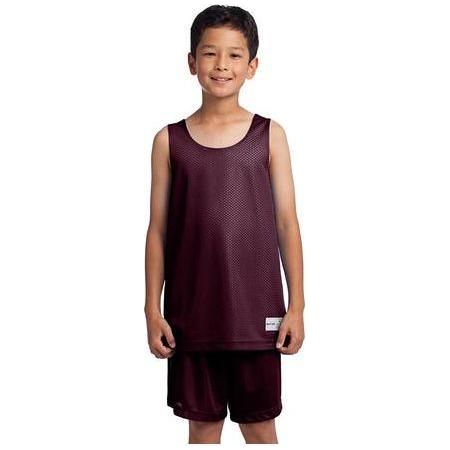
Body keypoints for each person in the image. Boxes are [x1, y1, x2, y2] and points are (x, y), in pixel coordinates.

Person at [144, 4, 305, 444]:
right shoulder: (168, 141)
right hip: (192, 317)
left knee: (260, 428)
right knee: (203, 430)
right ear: (191, 61)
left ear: (252, 66)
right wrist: (152, 310)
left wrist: (296, 306)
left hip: (258, 318)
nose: (221, 65)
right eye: (210, 53)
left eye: (234, 55)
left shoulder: (269, 135)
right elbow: (157, 232)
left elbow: (287, 224)